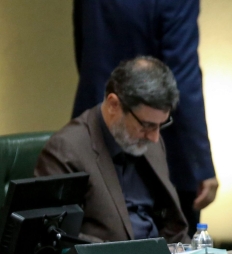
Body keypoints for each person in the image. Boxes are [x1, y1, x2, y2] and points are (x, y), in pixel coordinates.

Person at [71, 0, 218, 235]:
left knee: (92, 244)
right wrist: (199, 163)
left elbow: (84, 50)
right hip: (158, 155)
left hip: (94, 135)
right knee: (173, 252)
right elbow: (181, 78)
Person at [36, 57, 189, 243]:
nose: (155, 137)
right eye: (147, 125)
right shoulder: (66, 150)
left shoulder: (150, 141)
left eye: (161, 125)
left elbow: (173, 228)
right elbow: (57, 235)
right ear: (114, 104)